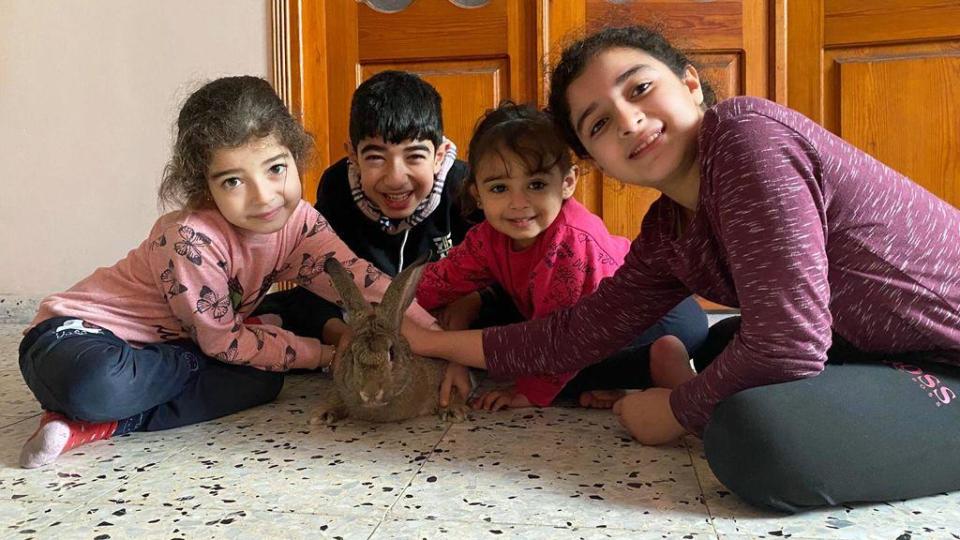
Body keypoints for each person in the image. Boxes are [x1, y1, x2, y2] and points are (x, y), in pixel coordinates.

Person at [404, 26, 960, 512]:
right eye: (597, 123)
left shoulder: (746, 137)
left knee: (756, 437)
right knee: (725, 352)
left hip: (944, 352)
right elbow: (574, 334)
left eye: (640, 88)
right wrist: (432, 344)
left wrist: (674, 408)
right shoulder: (670, 229)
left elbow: (789, 342)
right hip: (888, 348)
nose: (627, 119)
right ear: (596, 160)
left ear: (691, 84)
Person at [16, 76, 446, 469]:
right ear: (204, 185)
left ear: (297, 159)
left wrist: (438, 342)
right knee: (98, 384)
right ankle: (102, 406)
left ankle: (95, 427)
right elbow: (222, 342)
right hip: (75, 340)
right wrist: (324, 355)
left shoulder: (300, 223)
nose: (264, 197)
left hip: (194, 344)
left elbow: (362, 281)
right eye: (233, 181)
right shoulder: (190, 239)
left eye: (276, 169)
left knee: (262, 383)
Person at [416, 101, 707, 410]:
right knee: (512, 350)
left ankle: (655, 363)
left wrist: (528, 393)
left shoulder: (568, 242)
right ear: (477, 193)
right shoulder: (487, 237)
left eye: (536, 184)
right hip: (589, 327)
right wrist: (390, 307)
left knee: (529, 364)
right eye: (500, 188)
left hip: (663, 319)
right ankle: (620, 380)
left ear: (567, 183)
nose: (518, 203)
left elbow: (562, 342)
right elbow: (439, 282)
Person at [254, 69, 509, 350]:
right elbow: (319, 277)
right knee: (285, 307)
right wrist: (349, 339)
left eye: (414, 156)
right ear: (353, 156)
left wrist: (472, 303)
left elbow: (507, 270)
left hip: (446, 317)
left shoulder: (464, 187)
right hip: (365, 318)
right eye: (376, 158)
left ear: (438, 156)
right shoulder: (337, 187)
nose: (395, 178)